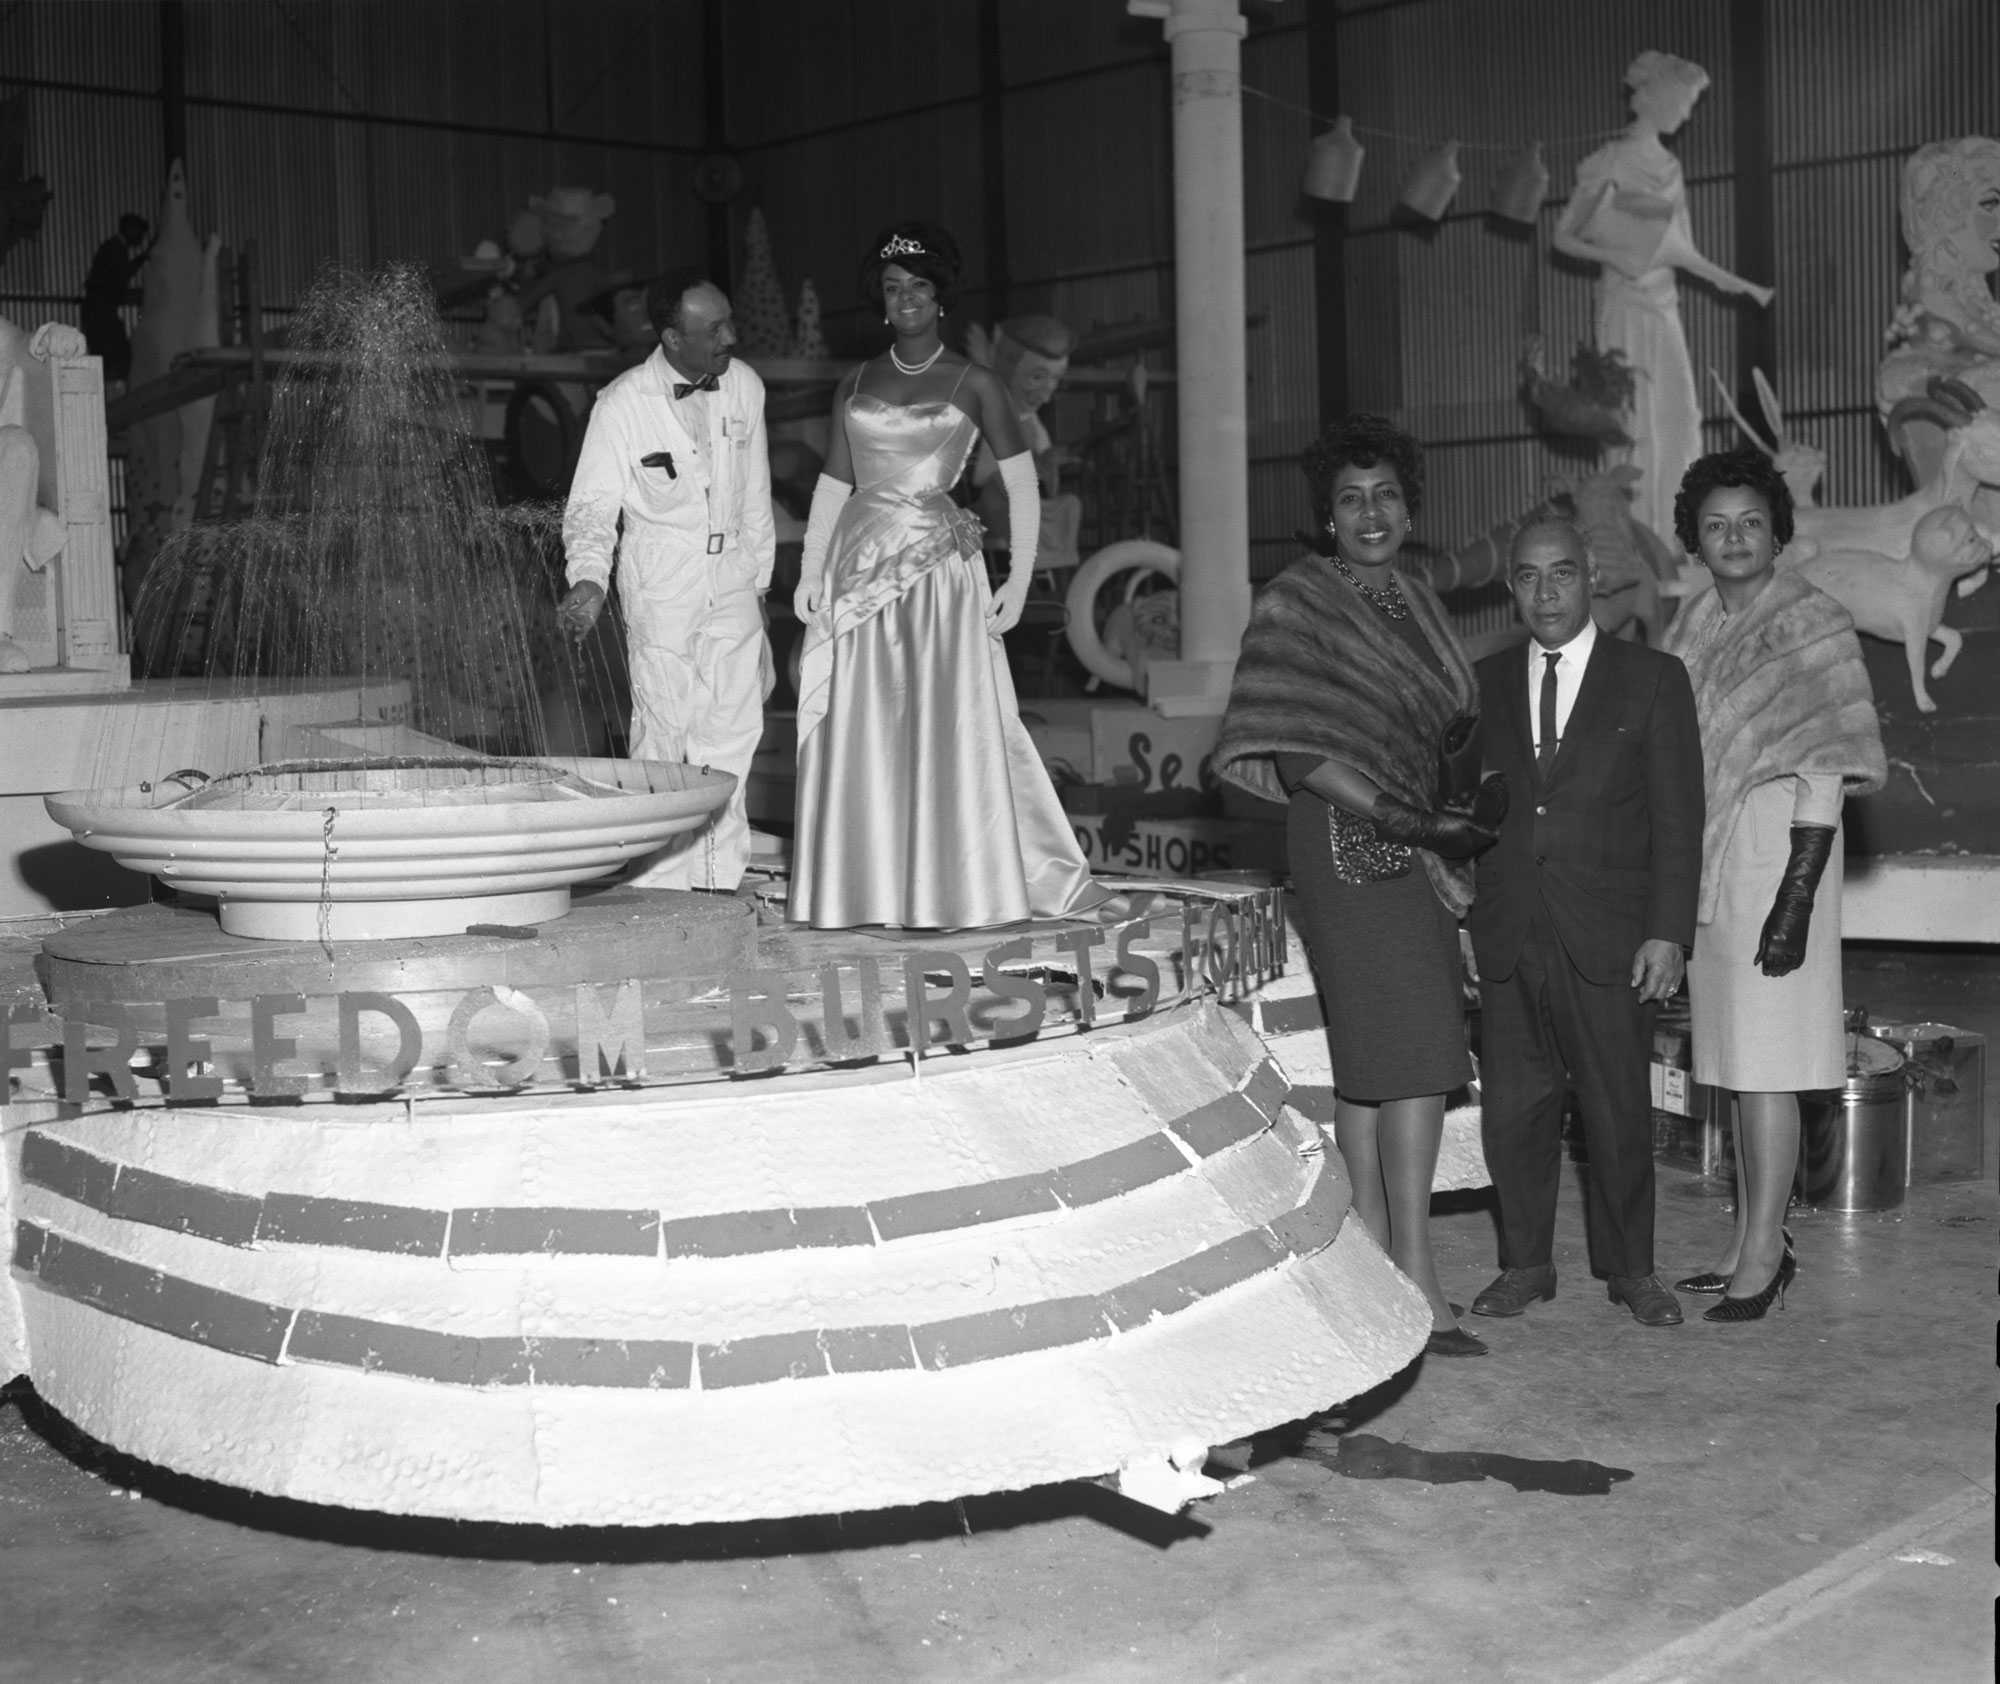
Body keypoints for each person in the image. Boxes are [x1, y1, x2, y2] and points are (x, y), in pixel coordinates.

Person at [1214, 415, 1505, 1359]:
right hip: (1350, 841)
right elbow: (1298, 749)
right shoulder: (1300, 600)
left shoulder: (1414, 596)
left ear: (1409, 507)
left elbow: (1442, 726)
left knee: (1383, 1062)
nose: (1370, 513)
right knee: (1417, 1052)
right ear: (1326, 518)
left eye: (1385, 496)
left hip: (1416, 843)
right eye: (1350, 500)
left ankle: (1373, 1253)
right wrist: (1414, 822)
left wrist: (1452, 806)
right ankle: (1415, 1274)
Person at [788, 222, 1102, 930]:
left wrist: (1018, 580)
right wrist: (811, 570)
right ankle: (861, 888)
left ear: (941, 298)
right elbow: (834, 483)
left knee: (944, 727)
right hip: (857, 572)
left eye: (920, 288)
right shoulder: (857, 379)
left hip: (936, 577)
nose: (906, 301)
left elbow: (1022, 488)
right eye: (894, 289)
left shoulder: (976, 381)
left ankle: (952, 888)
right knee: (862, 727)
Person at [1663, 450, 1886, 1322]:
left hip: (1784, 849)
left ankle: (1766, 1252)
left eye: (1750, 521)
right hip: (1716, 859)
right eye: (1715, 524)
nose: (1734, 537)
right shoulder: (1692, 622)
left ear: (1779, 530)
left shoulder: (1814, 620)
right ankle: (1750, 1236)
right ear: (1695, 538)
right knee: (1732, 1063)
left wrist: (1795, 899)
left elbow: (1827, 768)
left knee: (1769, 1066)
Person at [1467, 517, 1704, 1330]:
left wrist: (1669, 931)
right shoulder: (1484, 682)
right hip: (1510, 934)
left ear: (1592, 577)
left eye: (1561, 574)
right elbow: (1466, 814)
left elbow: (1678, 819)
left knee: (1617, 1113)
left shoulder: (1653, 679)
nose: (1545, 593)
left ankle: (1632, 1270)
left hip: (1611, 937)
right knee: (1513, 1113)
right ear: (1512, 589)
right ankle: (1526, 1264)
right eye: (1528, 578)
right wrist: (1465, 918)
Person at [559, 268, 775, 890]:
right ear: (672, 338)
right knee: (663, 728)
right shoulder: (623, 403)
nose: (729, 337)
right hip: (662, 574)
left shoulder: (746, 389)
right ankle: (656, 879)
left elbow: (755, 500)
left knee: (733, 730)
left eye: (729, 321)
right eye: (712, 329)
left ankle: (717, 877)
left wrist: (758, 595)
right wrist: (589, 580)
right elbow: (593, 508)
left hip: (731, 571)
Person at [1553, 51, 1772, 544]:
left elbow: (1683, 251)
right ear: (1653, 96)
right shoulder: (1607, 161)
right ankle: (1630, 539)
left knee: (1682, 419)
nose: (1687, 114)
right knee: (1632, 424)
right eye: (1684, 100)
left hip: (1663, 305)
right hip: (1624, 306)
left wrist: (1738, 284)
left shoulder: (1670, 167)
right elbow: (1561, 236)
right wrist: (1612, 257)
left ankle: (1676, 539)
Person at [80, 213, 151, 385]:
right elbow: (120, 278)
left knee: (112, 356)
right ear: (130, 229)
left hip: (98, 312)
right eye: (139, 233)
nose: (141, 238)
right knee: (118, 356)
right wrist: (144, 257)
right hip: (100, 313)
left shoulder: (114, 248)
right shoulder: (115, 249)